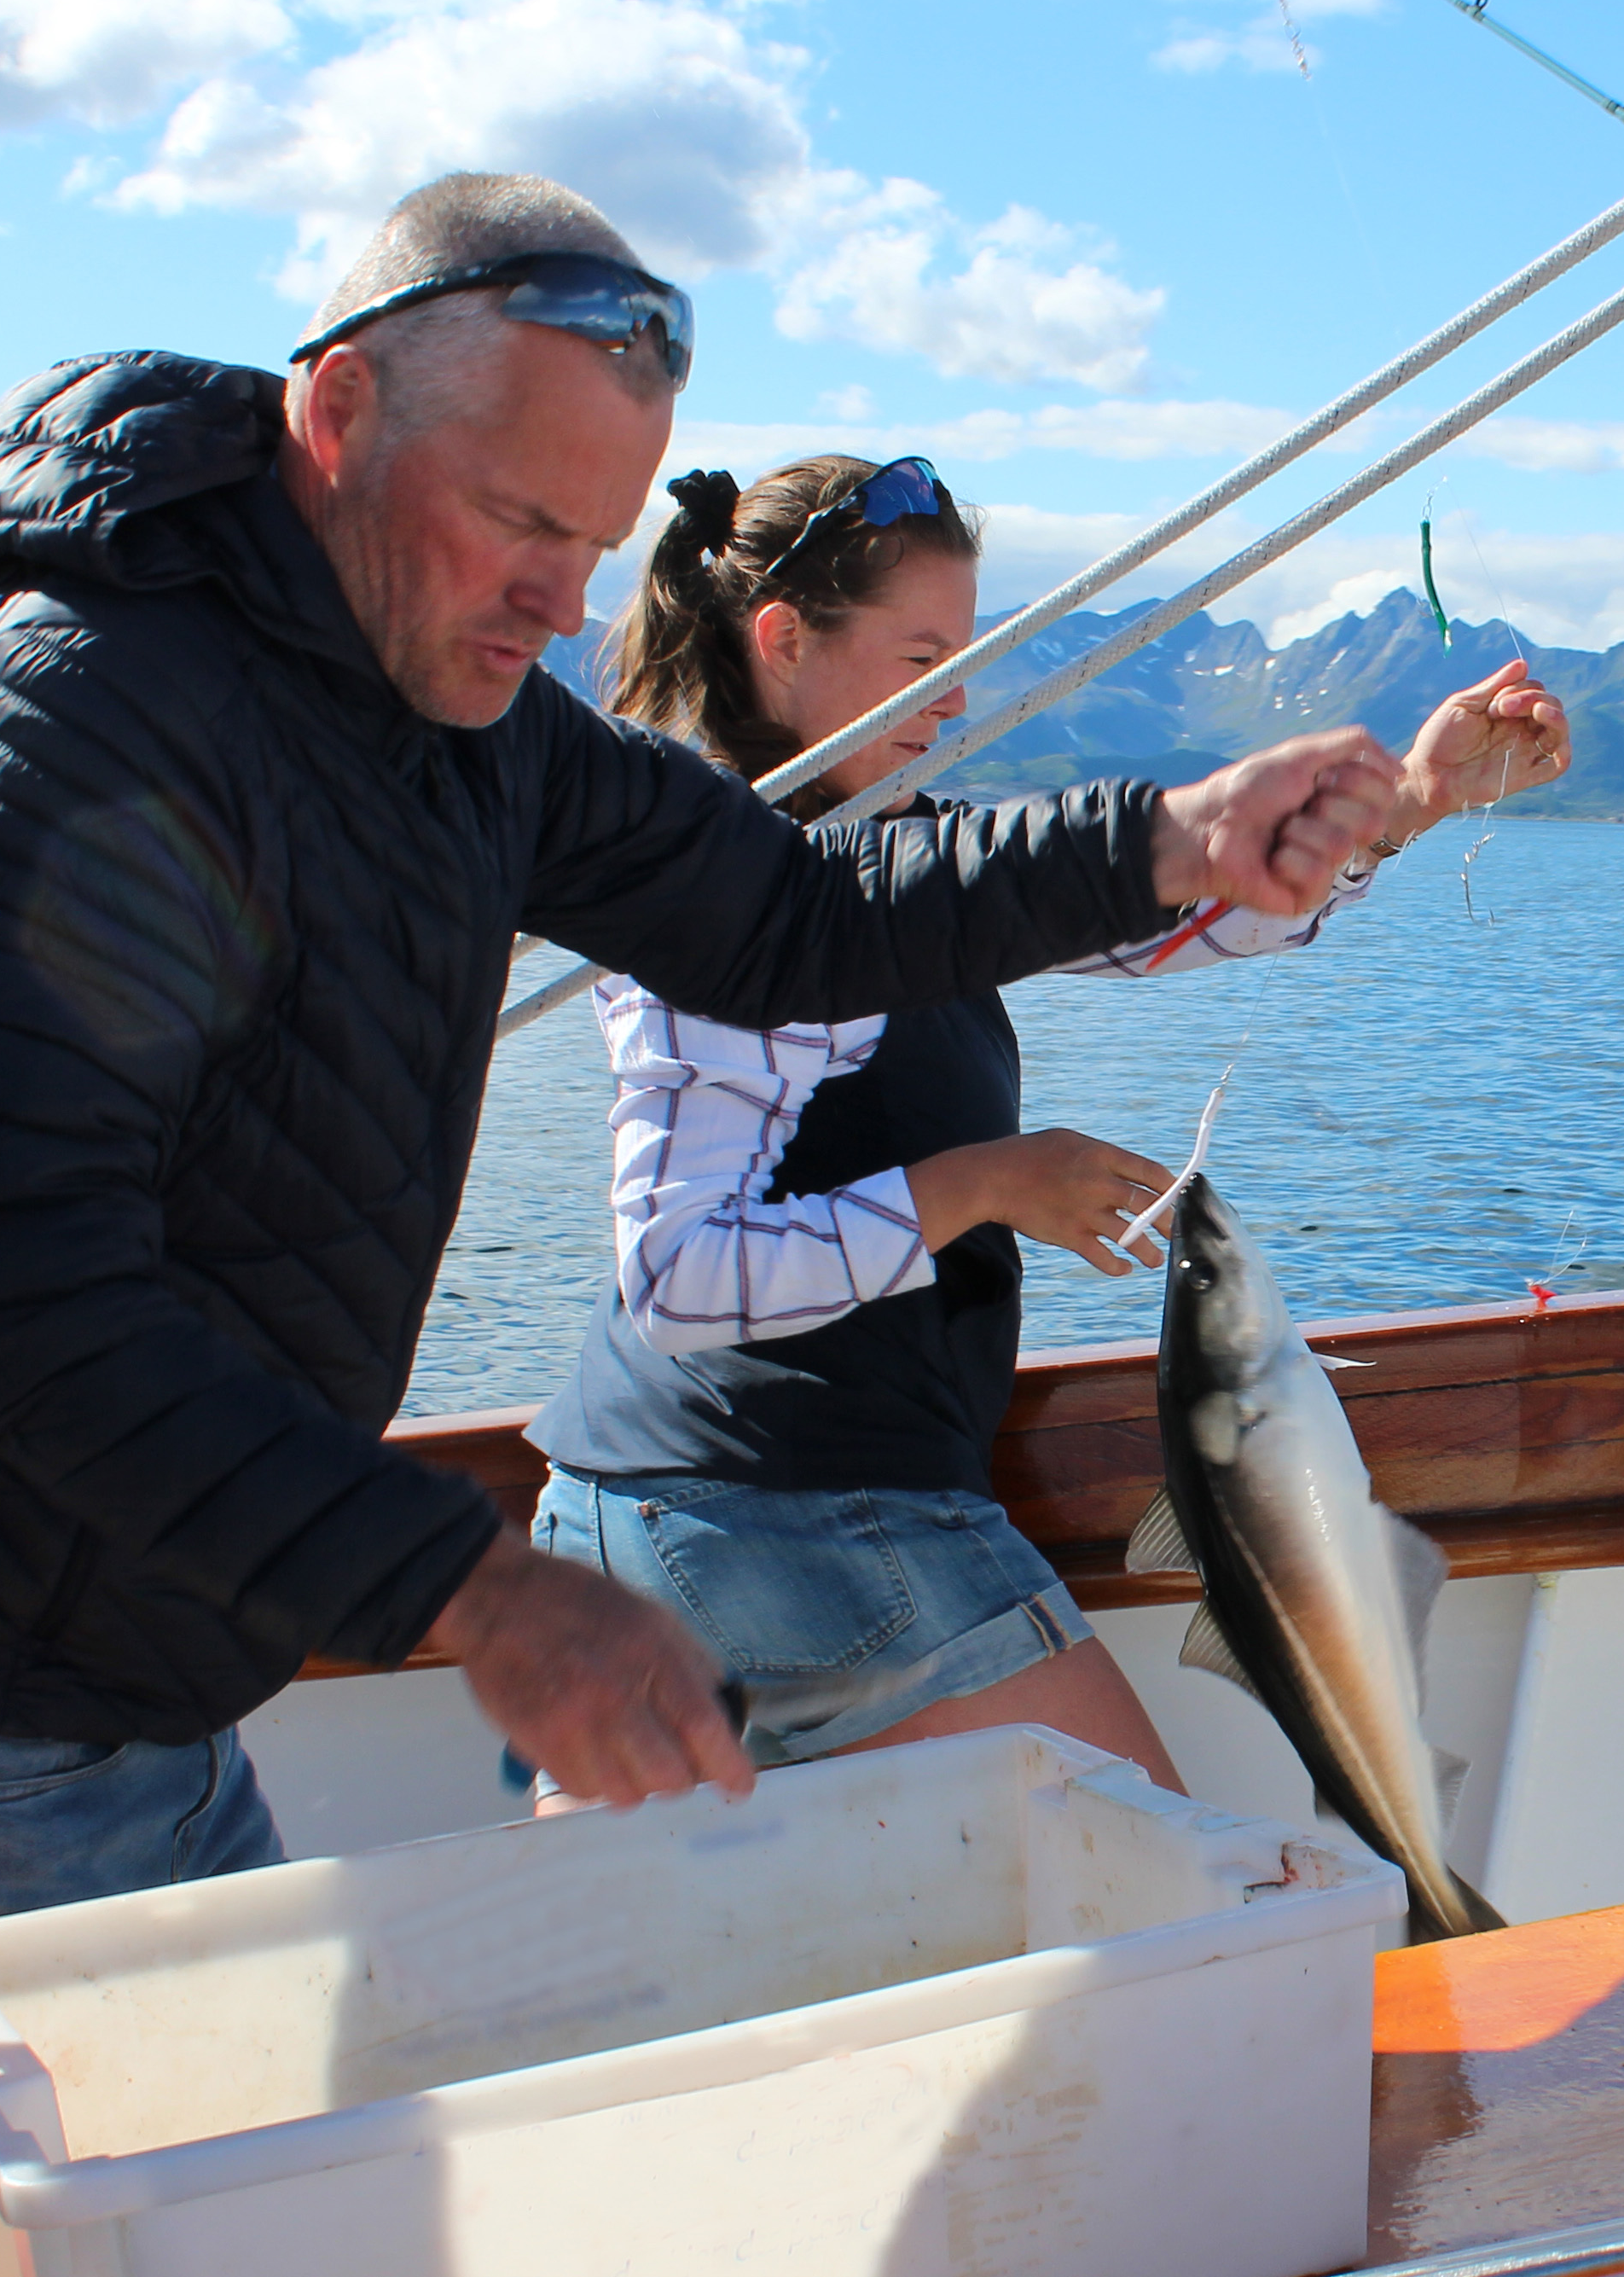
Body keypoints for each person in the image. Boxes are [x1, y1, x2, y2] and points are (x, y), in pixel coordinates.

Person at [0, 173, 1415, 2241]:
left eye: (595, 547)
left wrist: (1166, 836)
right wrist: (476, 1593)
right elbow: (12, 1298)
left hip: (136, 1686)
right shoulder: (87, 719)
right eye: (520, 524)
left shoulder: (467, 724)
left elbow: (786, 906)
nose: (561, 601)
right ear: (336, 422)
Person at [524, 452, 1571, 1784]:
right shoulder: (727, 901)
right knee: (1187, 1914)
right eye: (919, 657)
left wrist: (1414, 800)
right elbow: (680, 1277)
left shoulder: (873, 860)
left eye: (967, 652)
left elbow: (1158, 928)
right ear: (782, 641)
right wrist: (988, 1183)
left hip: (631, 1518)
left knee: (673, 1984)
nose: (956, 698)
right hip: (800, 1517)